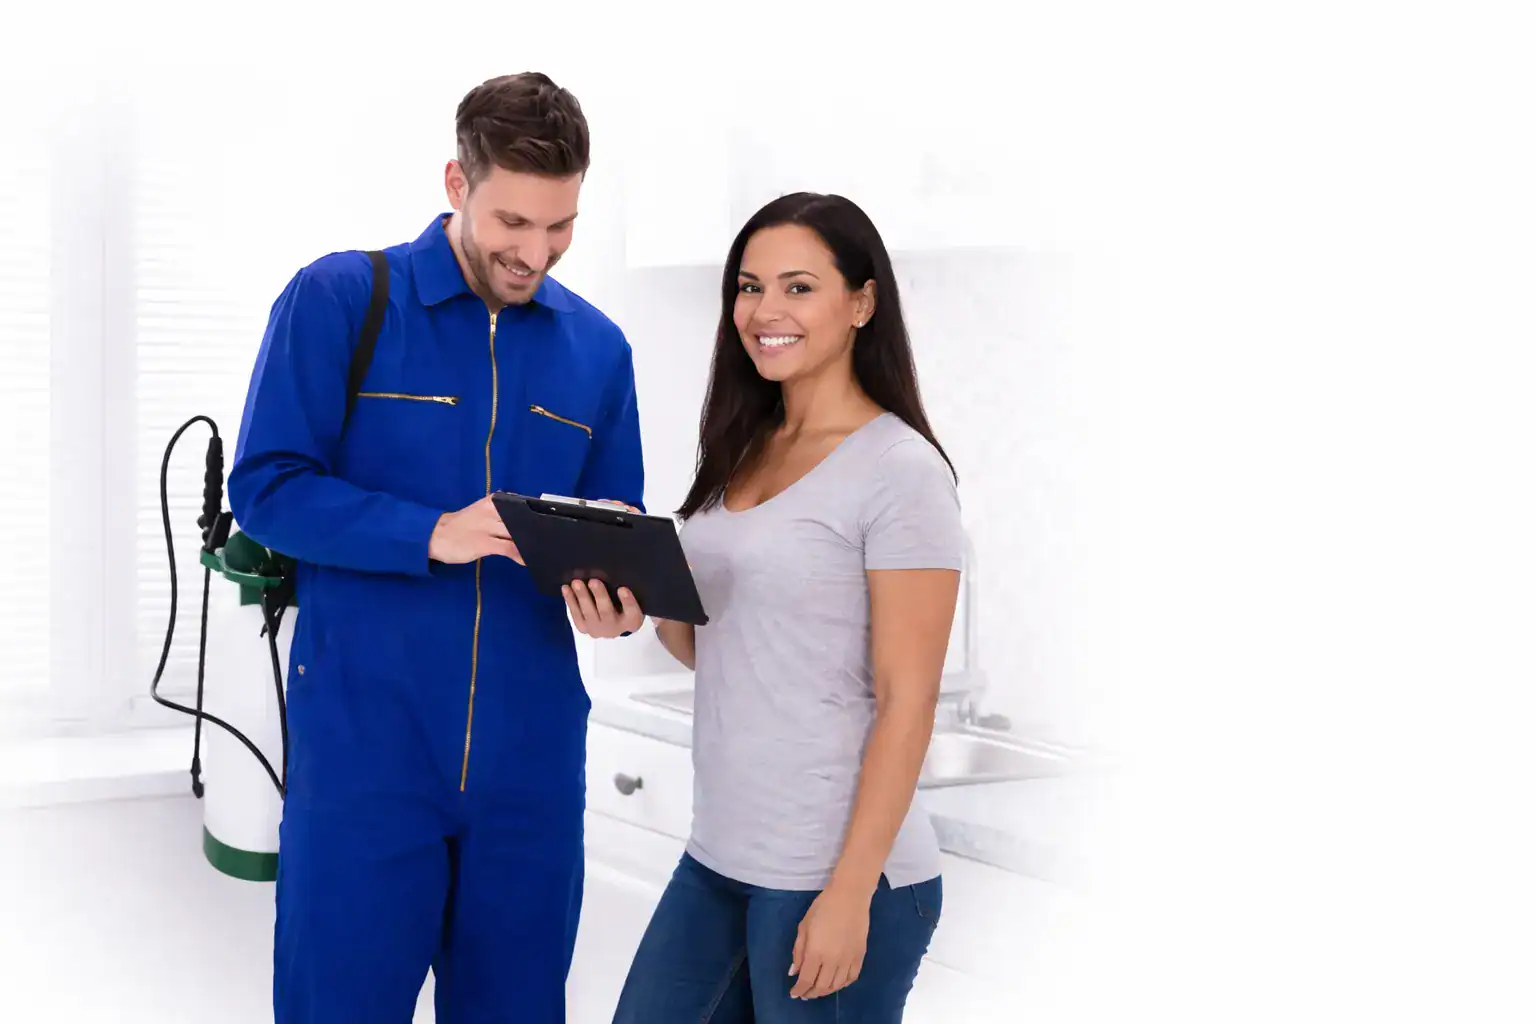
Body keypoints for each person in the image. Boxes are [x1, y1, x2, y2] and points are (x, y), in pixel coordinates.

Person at [227, 72, 646, 1024]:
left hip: (530, 765)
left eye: (561, 226)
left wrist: (616, 604)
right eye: (512, 222)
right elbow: (265, 490)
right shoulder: (340, 297)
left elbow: (613, 525)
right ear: (456, 182)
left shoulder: (598, 350)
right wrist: (433, 533)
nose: (535, 253)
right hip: (366, 756)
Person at [574, 192, 962, 1022]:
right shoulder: (742, 451)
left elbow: (909, 701)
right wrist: (630, 599)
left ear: (862, 302)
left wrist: (850, 895)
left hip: (833, 874)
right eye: (749, 287)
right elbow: (724, 644)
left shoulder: (900, 471)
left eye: (797, 287)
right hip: (719, 858)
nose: (764, 311)